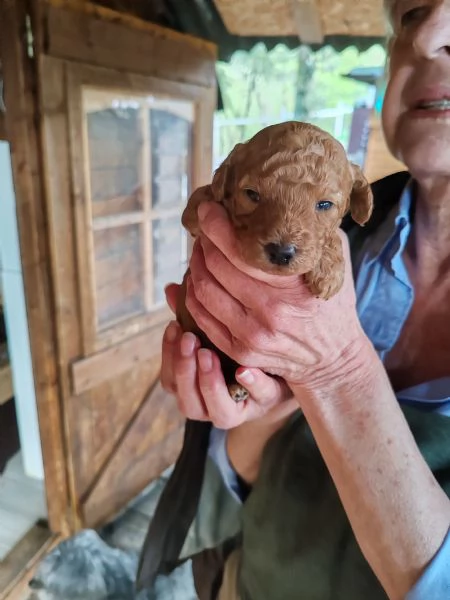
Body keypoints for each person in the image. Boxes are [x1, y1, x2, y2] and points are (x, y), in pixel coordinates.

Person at [144, 1, 450, 598]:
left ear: (345, 197)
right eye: (413, 12)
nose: (430, 35)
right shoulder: (353, 233)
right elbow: (248, 476)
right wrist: (256, 402)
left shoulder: (335, 235)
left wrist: (338, 372)